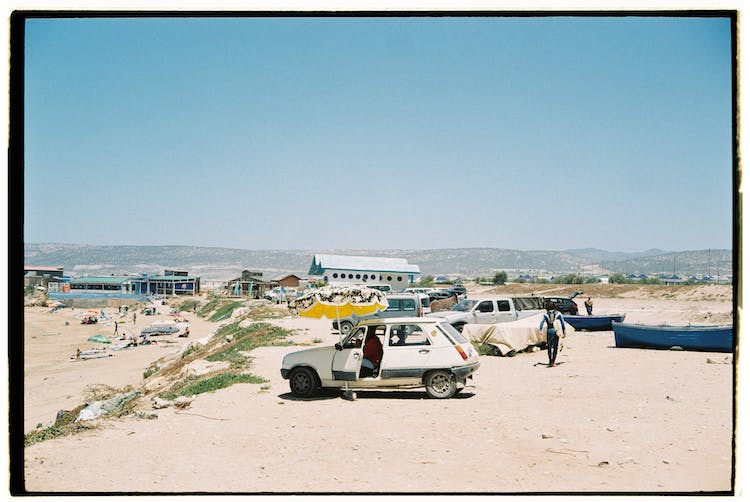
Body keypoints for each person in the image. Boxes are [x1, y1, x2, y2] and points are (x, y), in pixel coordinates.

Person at [539, 301, 566, 367]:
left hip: (549, 331)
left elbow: (541, 323)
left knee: (549, 346)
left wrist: (540, 330)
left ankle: (550, 362)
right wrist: (564, 332)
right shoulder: (558, 314)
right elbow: (562, 323)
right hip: (556, 331)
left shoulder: (545, 314)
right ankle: (553, 362)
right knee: (555, 347)